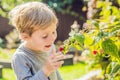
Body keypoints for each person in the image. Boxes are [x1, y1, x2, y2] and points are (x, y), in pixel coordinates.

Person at [9, 2, 64, 80]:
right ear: (25, 37)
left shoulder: (50, 48)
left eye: (53, 32)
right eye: (44, 36)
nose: (52, 38)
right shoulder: (21, 58)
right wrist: (45, 70)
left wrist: (51, 69)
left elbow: (55, 74)